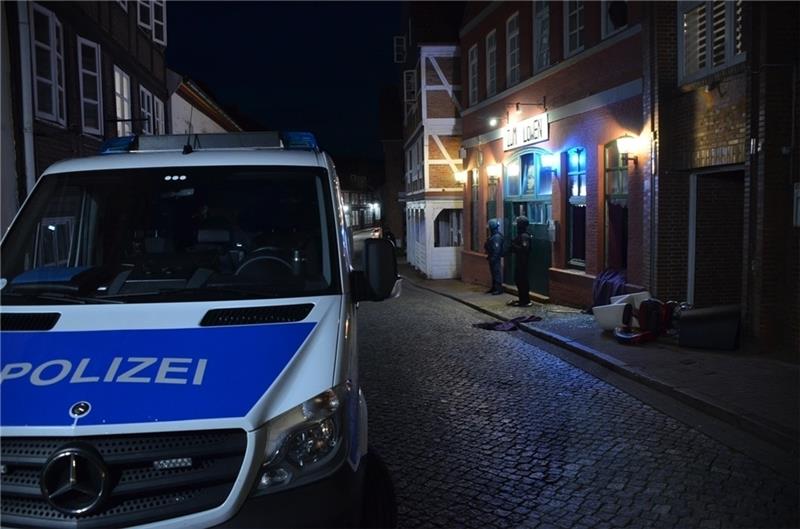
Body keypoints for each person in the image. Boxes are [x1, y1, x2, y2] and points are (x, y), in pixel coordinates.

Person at [508, 215, 532, 307]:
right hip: (520, 261)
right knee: (519, 280)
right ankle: (522, 299)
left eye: (518, 224)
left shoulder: (524, 236)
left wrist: (514, 246)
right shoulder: (521, 235)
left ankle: (525, 301)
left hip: (523, 262)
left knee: (522, 281)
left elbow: (524, 249)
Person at [484, 219, 504, 294]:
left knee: (496, 272)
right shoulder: (493, 236)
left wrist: (493, 258)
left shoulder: (496, 237)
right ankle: (494, 287)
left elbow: (496, 249)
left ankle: (498, 289)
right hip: (492, 257)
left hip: (495, 258)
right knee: (493, 273)